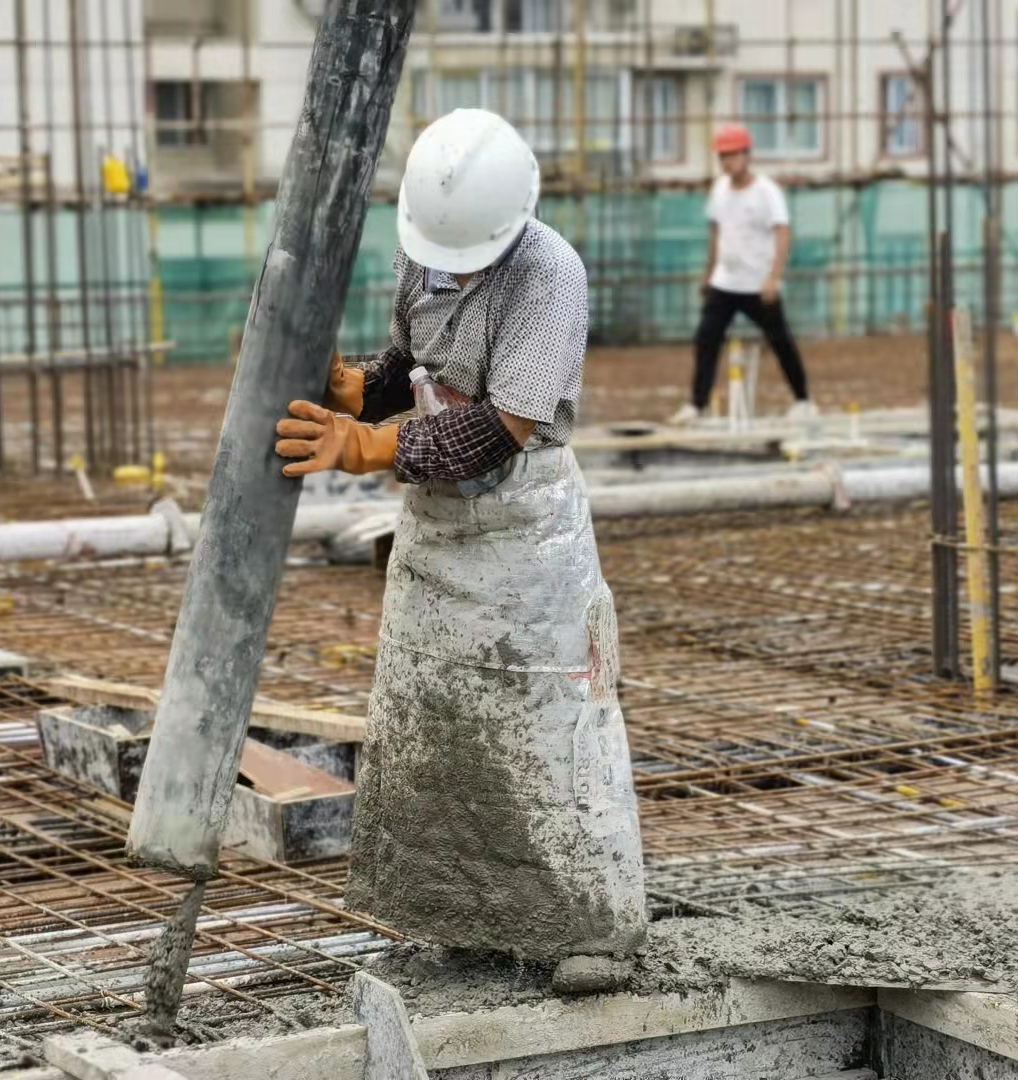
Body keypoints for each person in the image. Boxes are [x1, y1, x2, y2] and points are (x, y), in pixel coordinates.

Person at [274, 108, 647, 990]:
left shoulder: (549, 274)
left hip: (525, 533)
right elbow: (413, 362)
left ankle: (586, 928)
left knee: (547, 732)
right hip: (439, 533)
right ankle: (458, 918)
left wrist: (364, 446)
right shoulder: (428, 244)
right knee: (433, 722)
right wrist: (354, 388)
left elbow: (499, 432)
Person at [670, 123, 816, 424]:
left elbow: (783, 233)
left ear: (747, 155)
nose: (727, 162)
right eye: (723, 156)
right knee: (706, 338)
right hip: (725, 283)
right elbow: (716, 232)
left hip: (758, 285)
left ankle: (803, 400)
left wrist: (774, 277)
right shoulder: (719, 189)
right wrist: (709, 273)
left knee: (781, 341)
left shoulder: (766, 192)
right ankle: (698, 404)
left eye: (733, 155)